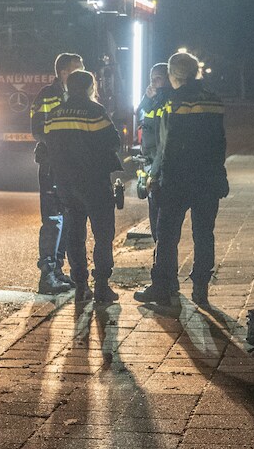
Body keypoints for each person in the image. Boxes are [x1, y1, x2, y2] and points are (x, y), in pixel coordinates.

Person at [134, 52, 228, 308]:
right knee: (204, 234)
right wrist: (220, 174)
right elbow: (219, 142)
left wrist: (154, 176)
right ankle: (201, 288)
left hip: (176, 179)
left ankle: (162, 287)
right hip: (208, 178)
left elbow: (166, 146)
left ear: (174, 75)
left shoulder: (171, 101)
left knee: (167, 236)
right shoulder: (213, 100)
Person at [43, 70, 123, 303]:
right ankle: (102, 286)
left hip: (66, 185)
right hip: (95, 183)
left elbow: (47, 146)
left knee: (75, 235)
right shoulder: (95, 112)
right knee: (103, 235)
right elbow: (113, 142)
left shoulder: (54, 114)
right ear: (91, 88)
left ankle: (80, 286)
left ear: (68, 88)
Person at [29, 53, 82, 294]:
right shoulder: (47, 96)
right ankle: (47, 274)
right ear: (63, 72)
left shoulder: (76, 95)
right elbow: (38, 130)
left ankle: (58, 270)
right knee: (52, 219)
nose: (81, 73)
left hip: (71, 166)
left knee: (68, 218)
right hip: (53, 165)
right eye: (76, 70)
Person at [136, 63, 170, 241]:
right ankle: (158, 247)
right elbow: (139, 113)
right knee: (152, 206)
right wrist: (148, 99)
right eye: (152, 79)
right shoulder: (152, 99)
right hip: (149, 161)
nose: (154, 82)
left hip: (161, 164)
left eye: (158, 78)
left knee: (161, 210)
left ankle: (162, 252)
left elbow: (164, 139)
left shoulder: (168, 100)